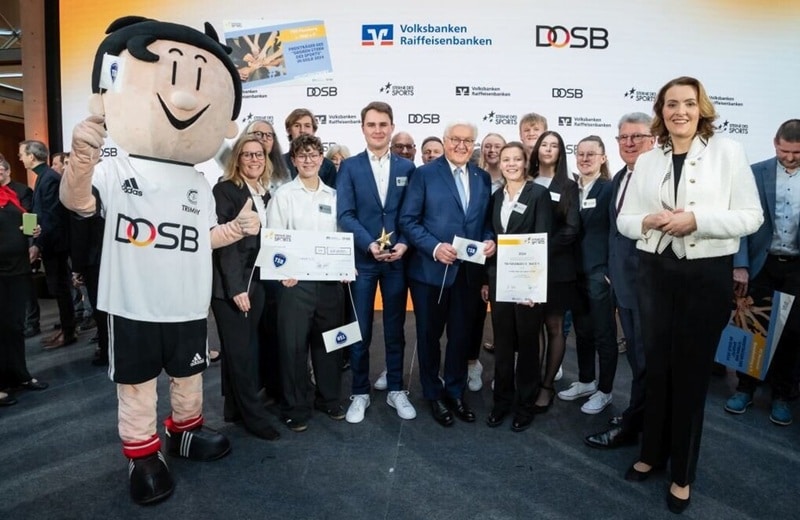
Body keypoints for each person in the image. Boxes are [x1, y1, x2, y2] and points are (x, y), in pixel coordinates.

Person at [61, 16, 260, 505]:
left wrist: (236, 229)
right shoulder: (117, 168)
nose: (187, 99)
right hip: (133, 304)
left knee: (188, 376)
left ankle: (184, 431)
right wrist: (83, 157)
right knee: (136, 385)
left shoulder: (198, 180)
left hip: (187, 304)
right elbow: (77, 202)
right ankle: (142, 452)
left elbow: (201, 238)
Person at [617, 76, 762, 513]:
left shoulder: (728, 152)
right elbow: (625, 220)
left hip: (705, 275)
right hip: (655, 272)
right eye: (671, 104)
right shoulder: (648, 159)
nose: (679, 111)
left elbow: (751, 217)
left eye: (688, 103)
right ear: (661, 112)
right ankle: (651, 453)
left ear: (702, 109)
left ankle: (682, 473)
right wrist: (647, 221)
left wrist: (697, 220)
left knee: (691, 375)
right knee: (656, 368)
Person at [399, 121, 496, 427]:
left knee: (460, 337)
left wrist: (489, 239)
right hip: (430, 272)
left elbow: (484, 222)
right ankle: (433, 394)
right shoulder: (424, 174)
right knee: (429, 337)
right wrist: (434, 247)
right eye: (456, 139)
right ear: (445, 140)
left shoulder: (482, 177)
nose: (461, 145)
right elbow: (408, 220)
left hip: (468, 274)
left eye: (468, 140)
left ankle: (455, 392)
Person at [336, 101, 416, 423]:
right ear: (363, 128)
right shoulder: (349, 167)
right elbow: (345, 215)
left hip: (397, 261)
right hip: (363, 261)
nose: (378, 130)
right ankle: (360, 392)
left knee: (395, 328)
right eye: (372, 124)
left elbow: (413, 214)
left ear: (392, 127)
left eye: (383, 124)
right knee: (361, 330)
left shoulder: (408, 168)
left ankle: (396, 388)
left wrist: (405, 243)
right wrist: (368, 244)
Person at [267, 134, 346, 432]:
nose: (308, 160)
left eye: (313, 155)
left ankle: (328, 399)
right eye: (302, 155)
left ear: (322, 159)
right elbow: (274, 239)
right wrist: (283, 271)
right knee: (293, 347)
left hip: (329, 283)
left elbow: (342, 236)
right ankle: (295, 407)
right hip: (294, 284)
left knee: (330, 344)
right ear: (294, 160)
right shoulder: (284, 195)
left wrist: (344, 265)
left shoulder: (334, 196)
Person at [585, 113, 655, 448]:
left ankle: (637, 426)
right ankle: (638, 418)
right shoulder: (621, 177)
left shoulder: (660, 177)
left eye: (637, 136)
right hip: (623, 283)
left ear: (653, 139)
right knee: (638, 360)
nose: (629, 143)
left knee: (646, 358)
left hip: (649, 286)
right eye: (623, 137)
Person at [728, 119, 800, 426]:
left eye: (797, 152)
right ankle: (745, 389)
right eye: (784, 151)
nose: (790, 157)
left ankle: (782, 396)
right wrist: (740, 264)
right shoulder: (756, 173)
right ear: (775, 143)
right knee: (752, 328)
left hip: (796, 267)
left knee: (792, 334)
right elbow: (741, 223)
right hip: (761, 263)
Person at [210, 134, 280, 441]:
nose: (254, 159)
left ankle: (235, 409)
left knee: (243, 349)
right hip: (233, 285)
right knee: (241, 353)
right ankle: (254, 418)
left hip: (258, 280)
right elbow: (225, 245)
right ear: (237, 159)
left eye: (259, 154)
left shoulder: (264, 192)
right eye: (248, 154)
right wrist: (236, 288)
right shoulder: (225, 190)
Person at [483, 141, 552, 431]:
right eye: (506, 159)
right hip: (500, 280)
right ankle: (501, 402)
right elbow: (492, 238)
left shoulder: (538, 194)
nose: (511, 164)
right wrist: (487, 280)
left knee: (527, 345)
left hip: (527, 283)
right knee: (502, 343)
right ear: (500, 164)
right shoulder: (495, 197)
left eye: (516, 159)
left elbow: (543, 239)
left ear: (525, 163)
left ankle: (525, 404)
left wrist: (534, 288)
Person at [557, 136, 617, 415]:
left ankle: (605, 391)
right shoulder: (570, 188)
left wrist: (610, 271)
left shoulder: (610, 189)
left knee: (604, 334)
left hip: (598, 273)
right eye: (580, 153)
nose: (585, 158)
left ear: (603, 158)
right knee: (582, 332)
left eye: (591, 154)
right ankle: (586, 381)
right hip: (574, 273)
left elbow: (617, 233)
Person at [529, 131, 581, 414]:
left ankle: (547, 386)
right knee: (532, 326)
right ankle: (531, 380)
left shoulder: (568, 185)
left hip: (558, 268)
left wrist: (541, 249)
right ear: (536, 149)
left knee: (555, 327)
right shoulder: (526, 181)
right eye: (544, 144)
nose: (548, 149)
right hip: (527, 268)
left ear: (561, 152)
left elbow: (572, 228)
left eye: (554, 145)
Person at [0, 156, 48, 405]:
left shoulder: (12, 194)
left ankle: (19, 375)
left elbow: (23, 223)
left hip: (17, 269)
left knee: (15, 327)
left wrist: (33, 232)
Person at [21, 140, 76, 349]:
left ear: (32, 156)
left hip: (56, 244)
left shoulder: (49, 178)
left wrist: (38, 244)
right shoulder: (44, 177)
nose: (20, 158)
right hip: (51, 242)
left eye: (22, 154)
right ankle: (66, 329)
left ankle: (69, 332)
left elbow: (51, 217)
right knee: (58, 288)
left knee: (60, 288)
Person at [467, 133, 508, 369]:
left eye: (497, 146)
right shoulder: (474, 177)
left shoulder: (514, 178)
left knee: (506, 317)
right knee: (475, 314)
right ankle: (472, 363)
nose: (492, 150)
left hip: (508, 256)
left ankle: (506, 369)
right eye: (487, 146)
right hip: (477, 255)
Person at [282, 108, 338, 187]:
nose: (302, 130)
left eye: (307, 126)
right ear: (289, 130)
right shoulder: (279, 163)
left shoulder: (327, 166)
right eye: (297, 126)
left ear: (313, 130)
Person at [243, 119, 291, 193]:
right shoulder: (237, 172)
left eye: (269, 135)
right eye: (258, 134)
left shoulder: (284, 173)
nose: (264, 139)